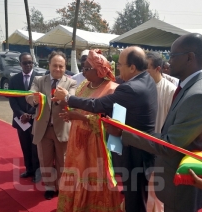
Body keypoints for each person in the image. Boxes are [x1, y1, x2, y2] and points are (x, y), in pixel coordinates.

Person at [105, 33, 202, 212]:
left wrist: (123, 133)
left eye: (173, 56)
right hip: (176, 179)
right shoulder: (191, 87)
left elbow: (170, 144)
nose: (168, 61)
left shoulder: (199, 95)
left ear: (190, 57)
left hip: (184, 184)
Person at [54, 46, 157, 212]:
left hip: (126, 149)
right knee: (135, 197)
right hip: (129, 146)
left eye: (121, 65)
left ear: (132, 67)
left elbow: (98, 106)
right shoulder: (147, 80)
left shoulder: (124, 88)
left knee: (135, 199)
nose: (118, 69)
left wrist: (68, 98)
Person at [56, 49, 121, 212]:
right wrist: (65, 108)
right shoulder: (83, 85)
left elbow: (112, 123)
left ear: (99, 70)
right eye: (82, 67)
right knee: (76, 174)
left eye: (86, 68)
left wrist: (80, 117)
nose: (83, 71)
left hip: (96, 143)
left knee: (94, 177)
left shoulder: (112, 89)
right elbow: (76, 106)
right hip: (77, 140)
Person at [26, 51, 77, 200]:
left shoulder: (71, 82)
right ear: (49, 65)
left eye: (61, 66)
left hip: (62, 129)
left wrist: (63, 98)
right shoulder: (39, 80)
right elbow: (29, 94)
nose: (58, 69)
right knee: (45, 160)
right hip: (43, 129)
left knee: (63, 161)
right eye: (55, 65)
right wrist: (34, 100)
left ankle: (61, 187)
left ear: (65, 67)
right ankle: (49, 186)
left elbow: (72, 101)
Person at [146, 52, 176, 212]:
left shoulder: (170, 91)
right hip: (144, 144)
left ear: (158, 68)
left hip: (160, 147)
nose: (144, 72)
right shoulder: (143, 87)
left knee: (157, 189)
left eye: (147, 68)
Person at [9, 52, 40, 183]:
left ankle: (38, 172)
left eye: (30, 62)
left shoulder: (39, 79)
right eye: (25, 63)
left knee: (36, 147)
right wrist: (22, 114)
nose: (28, 65)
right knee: (25, 145)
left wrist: (31, 114)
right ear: (20, 63)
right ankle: (29, 170)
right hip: (20, 120)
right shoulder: (14, 79)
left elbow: (41, 99)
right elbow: (12, 100)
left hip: (36, 119)